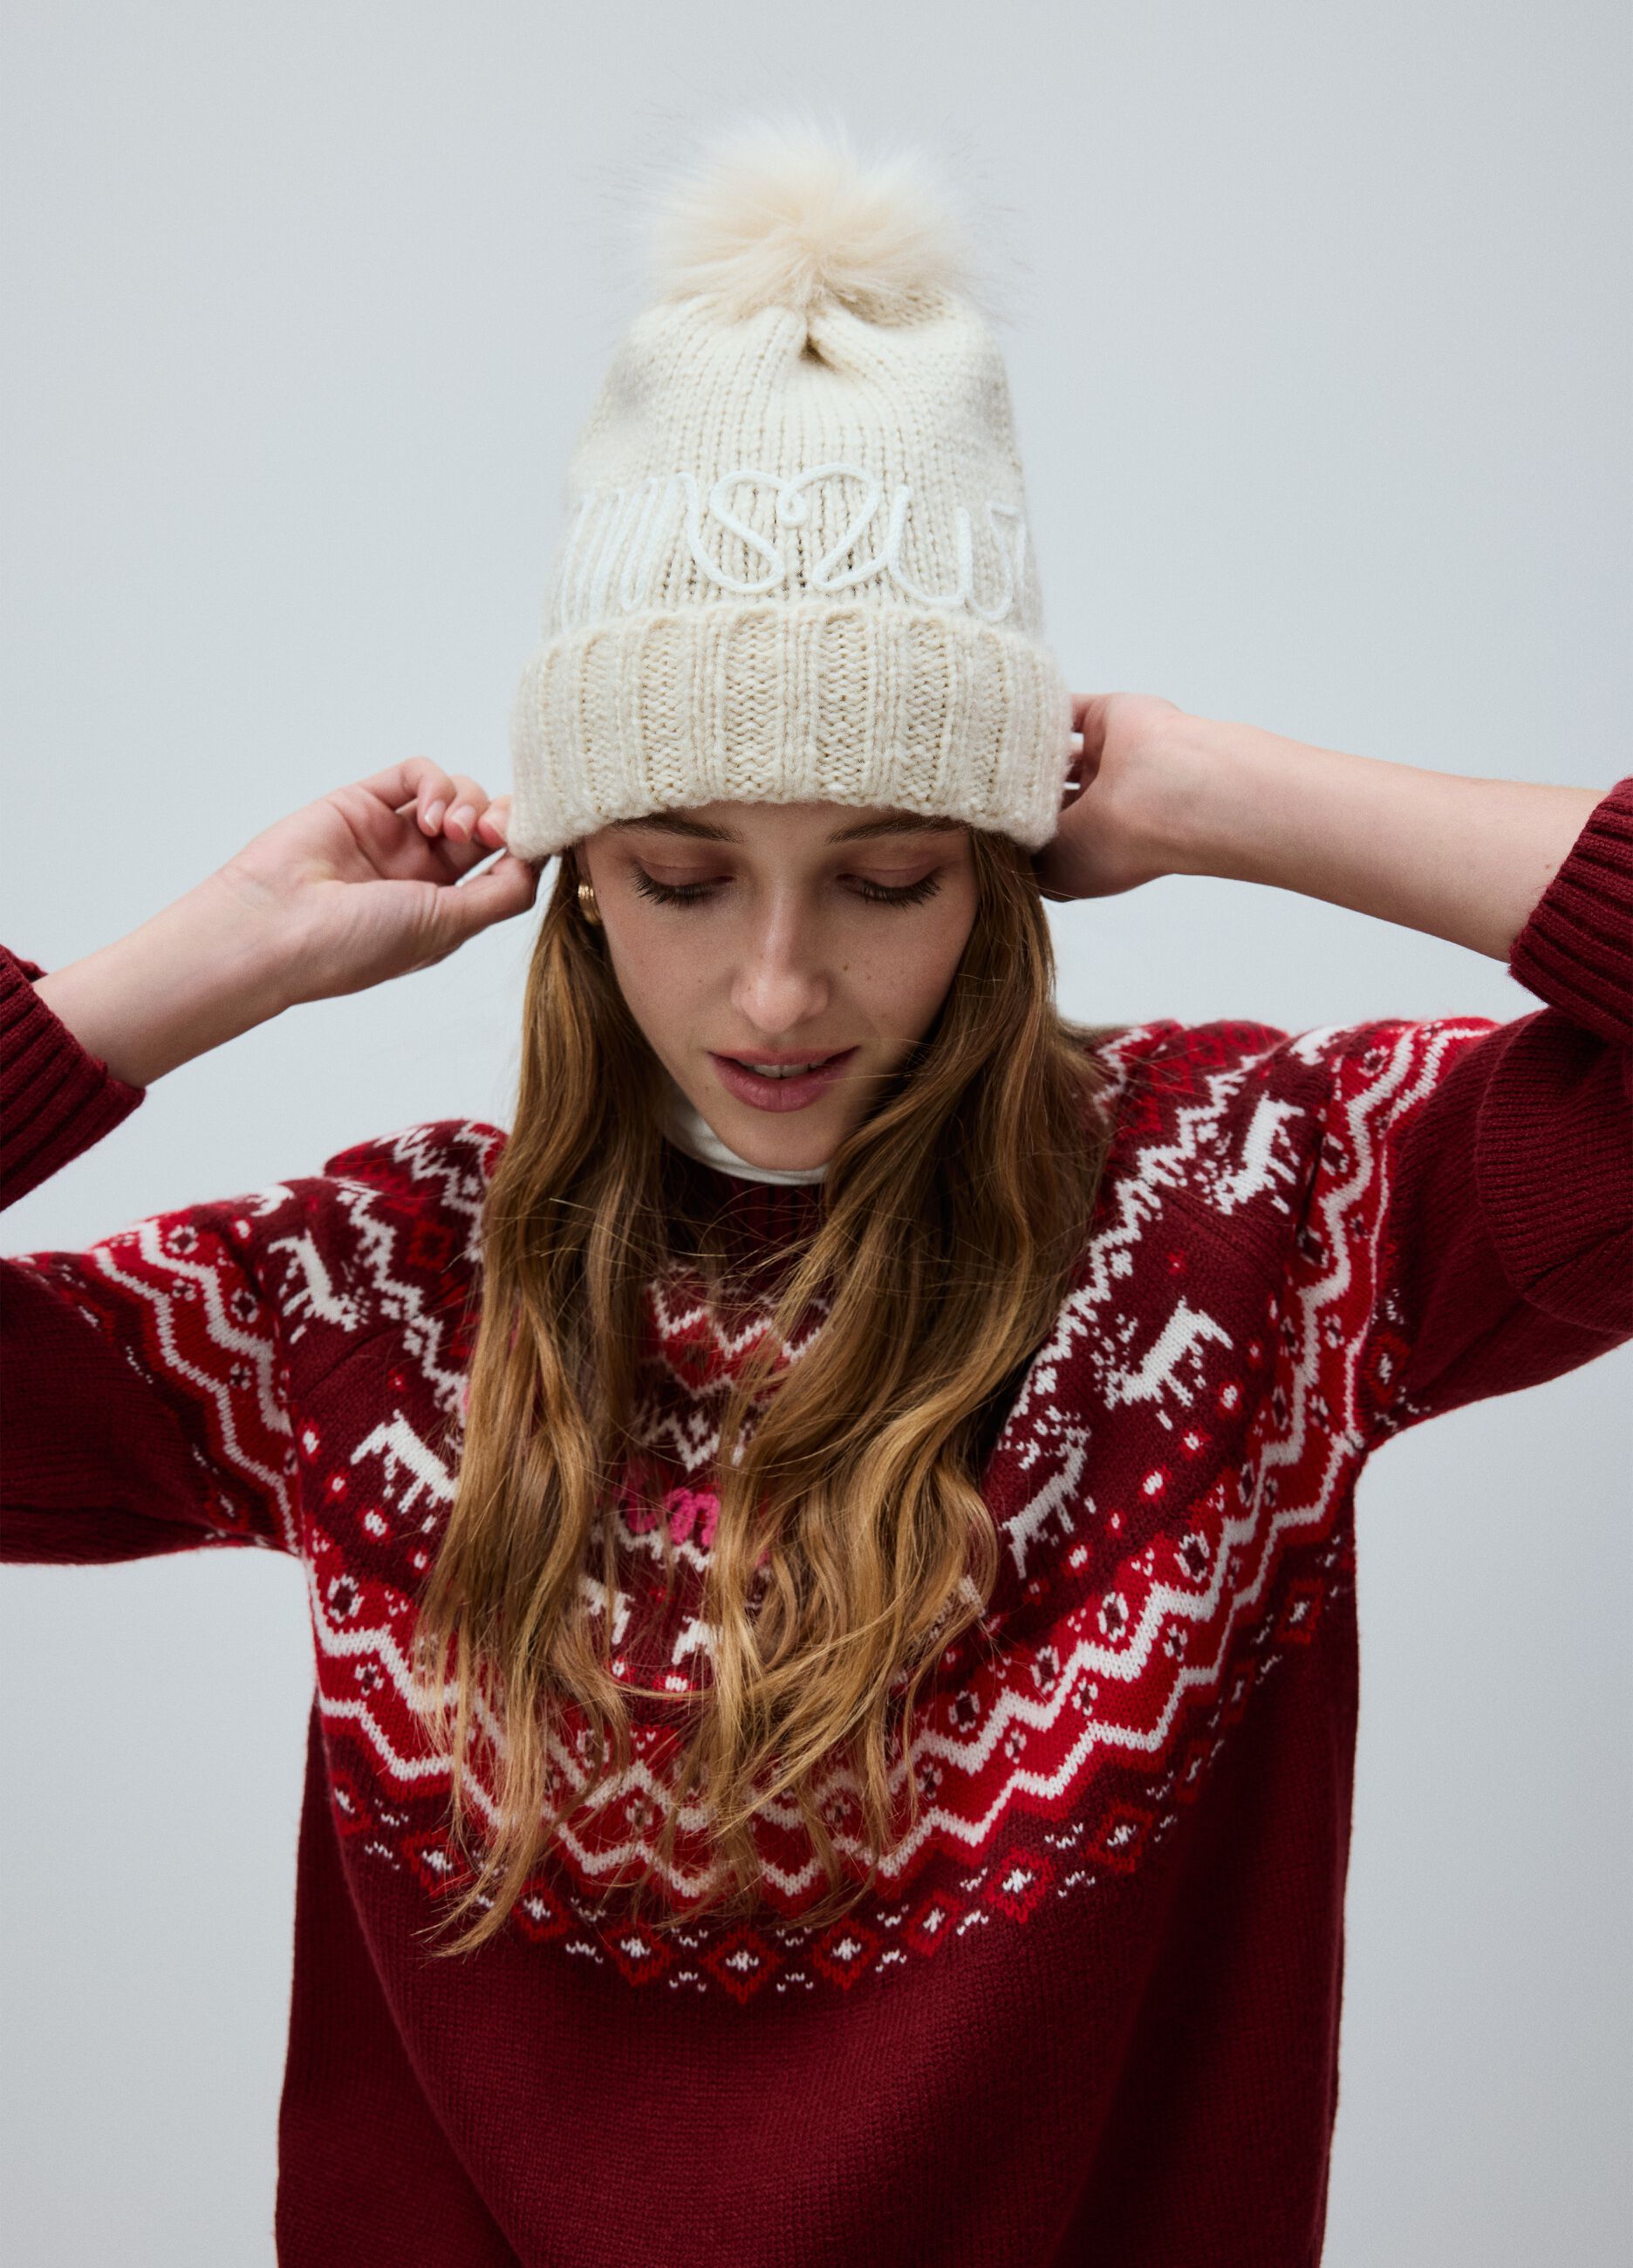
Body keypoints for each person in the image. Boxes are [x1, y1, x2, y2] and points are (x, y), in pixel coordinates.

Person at [3, 116, 1630, 2268]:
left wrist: (1226, 789)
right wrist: (189, 967)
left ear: (1008, 866)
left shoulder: (1259, 1228)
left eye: (887, 872)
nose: (779, 985)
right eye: (682, 876)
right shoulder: (380, 1301)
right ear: (575, 889)